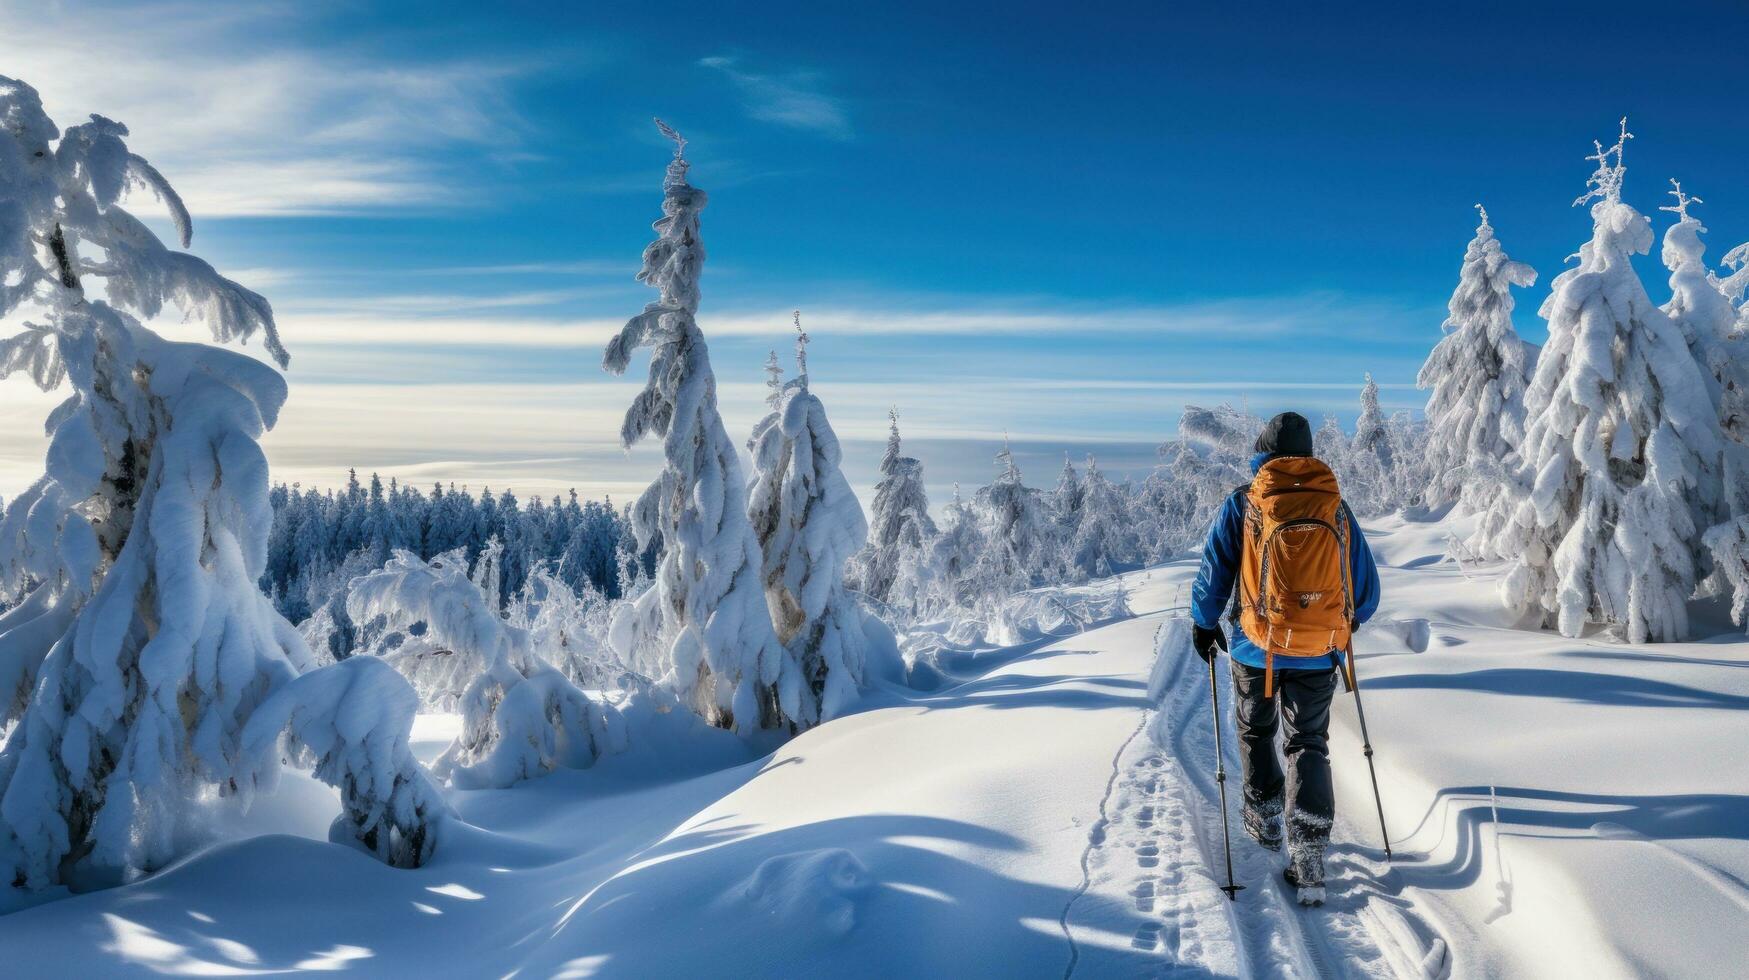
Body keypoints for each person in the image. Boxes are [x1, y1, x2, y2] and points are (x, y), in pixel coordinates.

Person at [1188, 411, 1379, 906]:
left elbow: (1216, 570)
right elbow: (1368, 588)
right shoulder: (1335, 506)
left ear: (1262, 452)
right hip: (1319, 652)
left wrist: (1204, 623)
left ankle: (1266, 819)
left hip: (1257, 648)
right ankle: (1311, 848)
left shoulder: (1245, 502)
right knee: (1309, 742)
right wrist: (1342, 623)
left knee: (1256, 731)